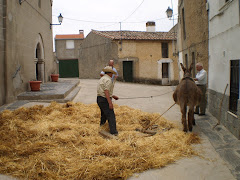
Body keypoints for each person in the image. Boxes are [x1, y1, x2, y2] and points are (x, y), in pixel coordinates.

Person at [97, 66, 119, 135]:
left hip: (99, 99)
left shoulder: (102, 79)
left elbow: (103, 90)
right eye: (112, 73)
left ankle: (102, 126)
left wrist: (112, 96)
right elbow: (106, 91)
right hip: (104, 100)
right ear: (110, 73)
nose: (112, 75)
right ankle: (113, 132)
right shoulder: (108, 80)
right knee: (111, 115)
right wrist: (110, 103)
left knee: (104, 114)